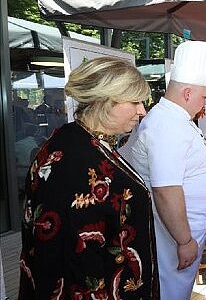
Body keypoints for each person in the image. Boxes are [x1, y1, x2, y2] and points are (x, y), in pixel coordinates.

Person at [19, 57, 160, 299]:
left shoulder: (68, 138)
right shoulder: (80, 162)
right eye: (135, 101)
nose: (142, 111)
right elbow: (79, 259)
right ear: (105, 101)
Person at [122, 41, 206, 299]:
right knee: (172, 292)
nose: (204, 105)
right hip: (174, 235)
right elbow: (166, 190)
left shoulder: (176, 118)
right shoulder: (166, 125)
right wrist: (184, 241)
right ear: (186, 93)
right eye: (204, 97)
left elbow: (194, 155)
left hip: (184, 230)